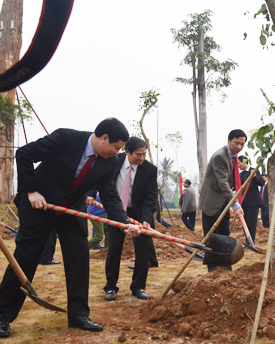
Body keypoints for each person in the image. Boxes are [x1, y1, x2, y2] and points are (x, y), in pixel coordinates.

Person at [0, 118, 141, 337]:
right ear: (104, 138)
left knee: (79, 256)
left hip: (70, 210)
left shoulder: (109, 162)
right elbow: (24, 154)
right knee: (26, 257)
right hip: (40, 204)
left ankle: (78, 315)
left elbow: (110, 195)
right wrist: (31, 191)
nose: (117, 153)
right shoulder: (65, 138)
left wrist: (123, 224)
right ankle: (2, 315)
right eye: (116, 147)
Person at [101, 137, 158, 302]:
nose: (141, 158)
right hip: (118, 212)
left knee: (142, 252)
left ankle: (138, 287)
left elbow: (151, 197)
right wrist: (90, 194)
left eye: (144, 154)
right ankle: (110, 287)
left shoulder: (149, 170)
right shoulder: (113, 161)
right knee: (114, 250)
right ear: (127, 152)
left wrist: (147, 219)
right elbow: (99, 179)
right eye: (138, 155)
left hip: (140, 214)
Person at [199, 129, 246, 272]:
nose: (239, 147)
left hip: (224, 202)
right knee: (212, 238)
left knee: (224, 234)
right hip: (212, 203)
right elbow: (223, 183)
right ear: (228, 141)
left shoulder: (233, 158)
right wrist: (236, 205)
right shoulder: (220, 156)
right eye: (236, 143)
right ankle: (213, 271)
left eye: (242, 144)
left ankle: (225, 268)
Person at [238, 156, 264, 242]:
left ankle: (250, 242)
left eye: (239, 163)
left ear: (245, 162)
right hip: (243, 203)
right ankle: (247, 241)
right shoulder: (241, 175)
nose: (238, 166)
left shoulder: (254, 170)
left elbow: (261, 183)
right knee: (244, 223)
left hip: (253, 203)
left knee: (251, 224)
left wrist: (255, 176)